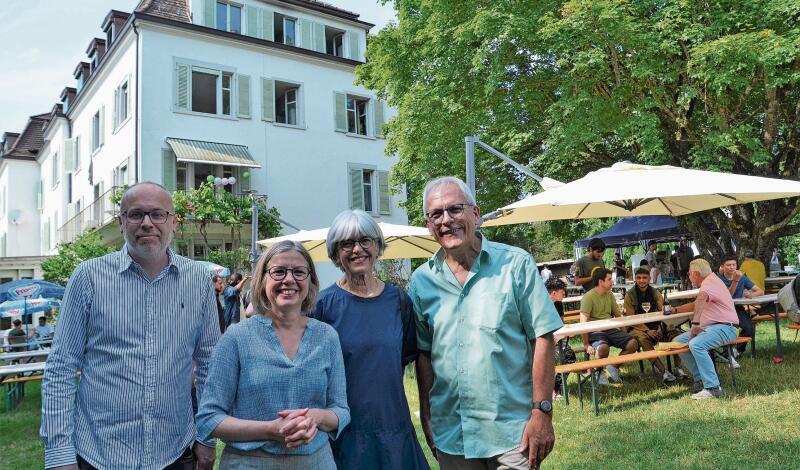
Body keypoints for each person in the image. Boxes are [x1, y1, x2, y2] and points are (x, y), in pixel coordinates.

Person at [40, 182, 220, 470]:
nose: (147, 223)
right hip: (100, 454)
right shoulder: (88, 277)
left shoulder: (198, 280)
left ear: (173, 222)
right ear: (121, 222)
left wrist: (207, 438)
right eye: (136, 214)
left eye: (158, 214)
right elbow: (61, 368)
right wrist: (59, 453)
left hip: (174, 452)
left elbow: (211, 364)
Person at [410, 176, 562, 470]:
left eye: (455, 209)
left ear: (475, 214)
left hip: (513, 434)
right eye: (436, 214)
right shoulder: (421, 281)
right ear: (429, 225)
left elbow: (543, 337)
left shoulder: (515, 265)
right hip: (453, 435)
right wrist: (427, 416)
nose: (446, 220)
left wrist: (542, 410)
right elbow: (424, 353)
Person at [196, 241, 350, 469]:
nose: (289, 279)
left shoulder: (327, 337)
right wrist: (270, 430)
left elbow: (341, 411)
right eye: (278, 272)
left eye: (299, 272)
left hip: (316, 462)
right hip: (249, 463)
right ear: (263, 279)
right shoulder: (236, 338)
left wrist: (315, 418)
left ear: (310, 280)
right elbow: (209, 419)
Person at [311, 209, 428, 470]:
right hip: (344, 435)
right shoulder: (322, 307)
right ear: (335, 253)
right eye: (347, 243)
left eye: (365, 241)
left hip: (394, 429)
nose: (357, 250)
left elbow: (404, 359)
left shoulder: (399, 301)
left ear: (377, 246)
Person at [671, 258, 739, 399]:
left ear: (696, 274)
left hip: (725, 328)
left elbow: (701, 299)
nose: (689, 277)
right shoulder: (712, 281)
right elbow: (696, 304)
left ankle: (713, 387)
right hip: (715, 327)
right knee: (677, 342)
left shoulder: (709, 283)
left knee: (696, 344)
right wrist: (674, 310)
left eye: (689, 274)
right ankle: (700, 379)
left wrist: (695, 325)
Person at [622, 268, 686, 383]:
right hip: (638, 328)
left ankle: (678, 368)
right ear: (635, 279)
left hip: (657, 326)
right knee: (642, 339)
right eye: (639, 278)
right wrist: (647, 331)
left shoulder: (655, 292)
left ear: (649, 279)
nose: (641, 280)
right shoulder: (629, 295)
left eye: (644, 278)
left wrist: (661, 327)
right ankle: (664, 372)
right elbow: (631, 319)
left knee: (675, 335)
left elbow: (664, 310)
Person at [580, 268, 638, 386]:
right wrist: (586, 344)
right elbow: (583, 323)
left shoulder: (609, 294)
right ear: (601, 282)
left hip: (610, 329)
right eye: (609, 279)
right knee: (603, 348)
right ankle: (599, 372)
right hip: (594, 332)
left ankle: (614, 366)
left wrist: (625, 333)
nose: (612, 281)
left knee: (633, 343)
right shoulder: (588, 297)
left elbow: (618, 316)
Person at [717, 254, 764, 356]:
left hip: (738, 308)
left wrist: (751, 294)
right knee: (726, 329)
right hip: (723, 310)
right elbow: (728, 296)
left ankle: (737, 351)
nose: (732, 267)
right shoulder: (718, 279)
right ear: (723, 266)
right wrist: (736, 280)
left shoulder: (742, 278)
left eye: (734, 264)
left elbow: (760, 291)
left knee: (748, 328)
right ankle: (727, 352)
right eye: (728, 265)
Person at [547, 278, 576, 399]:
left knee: (569, 356)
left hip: (556, 339)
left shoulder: (558, 303)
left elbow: (561, 323)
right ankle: (548, 391)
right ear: (554, 293)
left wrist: (567, 331)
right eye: (562, 292)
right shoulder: (539, 304)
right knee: (550, 360)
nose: (564, 294)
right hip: (542, 342)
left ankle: (556, 386)